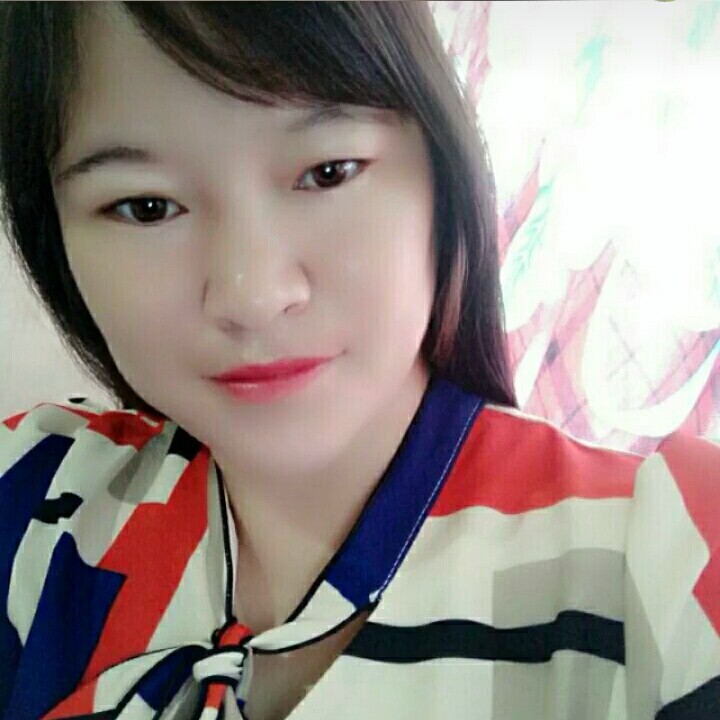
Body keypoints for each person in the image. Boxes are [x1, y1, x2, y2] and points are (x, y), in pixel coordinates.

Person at [0, 2, 717, 719]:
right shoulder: (33, 497)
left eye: (328, 171)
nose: (252, 295)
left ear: (443, 173)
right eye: (147, 207)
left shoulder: (660, 565)